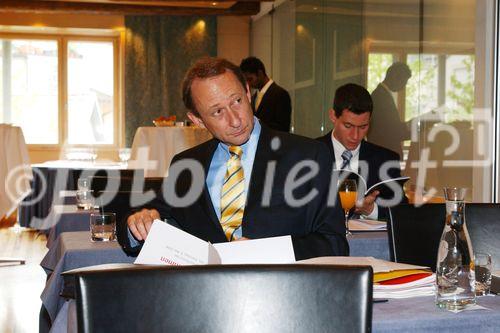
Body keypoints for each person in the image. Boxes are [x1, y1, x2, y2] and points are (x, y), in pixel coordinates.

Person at [123, 57, 348, 259]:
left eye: (237, 101)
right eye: (217, 112)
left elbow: (334, 243)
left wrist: (269, 252)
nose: (235, 121)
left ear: (248, 92)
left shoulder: (308, 155)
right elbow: (151, 217)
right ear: (198, 120)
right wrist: (139, 223)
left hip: (280, 295)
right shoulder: (185, 166)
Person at [317, 83, 407, 221]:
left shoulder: (385, 160)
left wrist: (371, 210)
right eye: (348, 126)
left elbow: (402, 211)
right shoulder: (309, 153)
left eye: (363, 126)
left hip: (369, 242)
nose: (355, 135)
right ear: (333, 116)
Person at [368, 62, 412, 158]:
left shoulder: (381, 95)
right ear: (395, 77)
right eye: (404, 82)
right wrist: (416, 126)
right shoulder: (381, 98)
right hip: (384, 156)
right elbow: (393, 131)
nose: (403, 87)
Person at [239, 56, 292, 132]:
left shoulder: (280, 94)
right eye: (246, 81)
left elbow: (283, 127)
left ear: (260, 73)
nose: (248, 84)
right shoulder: (253, 98)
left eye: (250, 79)